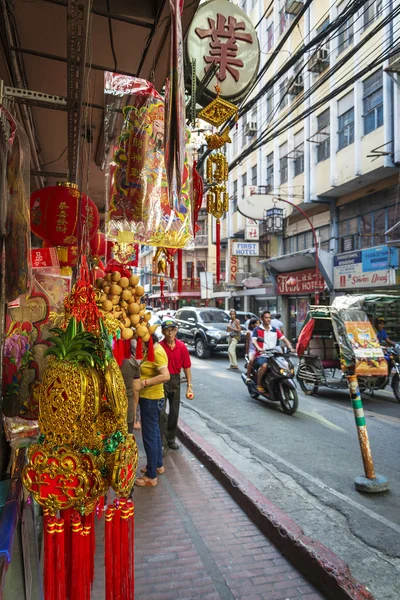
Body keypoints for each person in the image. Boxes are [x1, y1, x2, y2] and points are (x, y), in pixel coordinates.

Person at [134, 334, 170, 487]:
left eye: (139, 341)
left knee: (149, 437)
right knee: (154, 434)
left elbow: (165, 375)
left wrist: (144, 383)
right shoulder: (150, 351)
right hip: (150, 399)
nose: (137, 344)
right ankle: (157, 466)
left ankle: (151, 476)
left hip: (151, 399)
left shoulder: (157, 352)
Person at [159, 318, 192, 454]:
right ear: (163, 331)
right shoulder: (159, 347)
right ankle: (162, 441)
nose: (170, 332)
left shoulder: (182, 346)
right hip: (162, 381)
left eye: (172, 329)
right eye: (167, 330)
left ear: (176, 331)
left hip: (176, 380)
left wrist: (189, 385)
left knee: (174, 411)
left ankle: (171, 439)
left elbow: (187, 367)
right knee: (161, 413)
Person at [252, 311, 294, 393]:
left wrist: (290, 347)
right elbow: (254, 341)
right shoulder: (257, 330)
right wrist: (258, 348)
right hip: (262, 355)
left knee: (284, 365)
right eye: (266, 318)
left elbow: (284, 339)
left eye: (269, 317)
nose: (268, 319)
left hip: (274, 355)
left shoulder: (274, 330)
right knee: (264, 366)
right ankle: (259, 383)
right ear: (261, 319)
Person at [120, 339, 141, 433]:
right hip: (127, 408)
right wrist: (135, 414)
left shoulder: (105, 360)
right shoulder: (132, 362)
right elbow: (136, 389)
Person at [245, 318, 260, 382]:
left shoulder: (261, 331)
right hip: (252, 350)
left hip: (260, 349)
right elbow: (247, 343)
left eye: (259, 323)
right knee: (251, 361)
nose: (258, 324)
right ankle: (248, 376)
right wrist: (247, 353)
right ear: (252, 325)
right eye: (256, 323)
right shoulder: (249, 332)